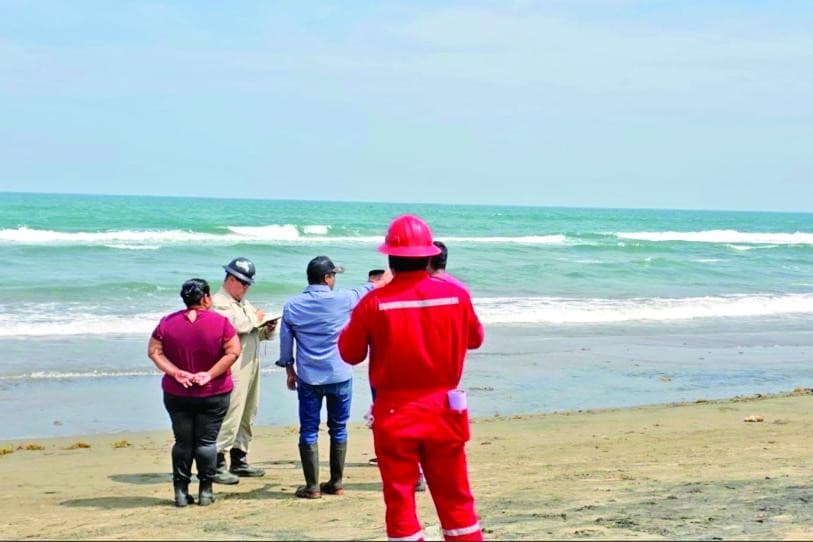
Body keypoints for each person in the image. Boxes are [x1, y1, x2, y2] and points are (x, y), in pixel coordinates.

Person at [339, 214, 485, 541]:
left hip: (395, 413)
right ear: (429, 255)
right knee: (457, 500)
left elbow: (350, 354)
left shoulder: (374, 303)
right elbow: (475, 339)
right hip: (446, 411)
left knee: (400, 501)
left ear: (390, 258)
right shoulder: (456, 296)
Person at [277, 256, 388, 499]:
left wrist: (289, 370)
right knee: (338, 428)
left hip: (309, 378)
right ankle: (336, 483)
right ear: (327, 278)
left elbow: (286, 343)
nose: (335, 279)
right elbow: (370, 287)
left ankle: (312, 487)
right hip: (339, 374)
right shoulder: (344, 299)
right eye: (333, 275)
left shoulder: (293, 305)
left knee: (309, 430)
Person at [148, 278, 241, 507]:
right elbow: (233, 352)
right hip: (214, 392)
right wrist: (209, 374)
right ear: (206, 298)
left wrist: (175, 372)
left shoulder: (167, 323)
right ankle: (205, 491)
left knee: (182, 442)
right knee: (206, 442)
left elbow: (154, 351)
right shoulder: (220, 323)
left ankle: (180, 492)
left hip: (177, 392)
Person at [211, 257, 277, 485]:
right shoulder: (218, 302)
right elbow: (237, 325)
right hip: (233, 367)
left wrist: (266, 329)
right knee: (232, 411)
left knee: (249, 410)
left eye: (248, 284)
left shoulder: (243, 303)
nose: (246, 287)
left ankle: (240, 457)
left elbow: (251, 330)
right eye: (243, 283)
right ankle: (218, 462)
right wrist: (255, 320)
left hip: (251, 362)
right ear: (230, 279)